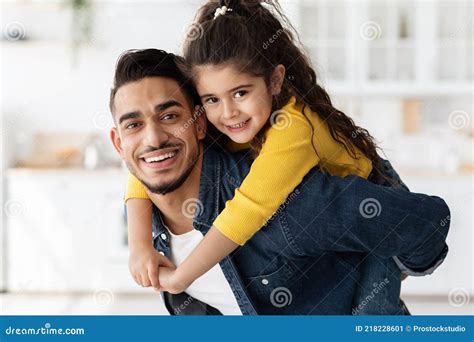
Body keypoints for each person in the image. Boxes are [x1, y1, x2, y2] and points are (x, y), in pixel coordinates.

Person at [109, 48, 450, 314]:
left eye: (170, 116)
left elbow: (429, 223)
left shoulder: (288, 204)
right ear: (118, 143)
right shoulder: (147, 210)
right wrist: (139, 243)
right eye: (133, 125)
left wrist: (385, 267)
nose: (153, 138)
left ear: (199, 125)